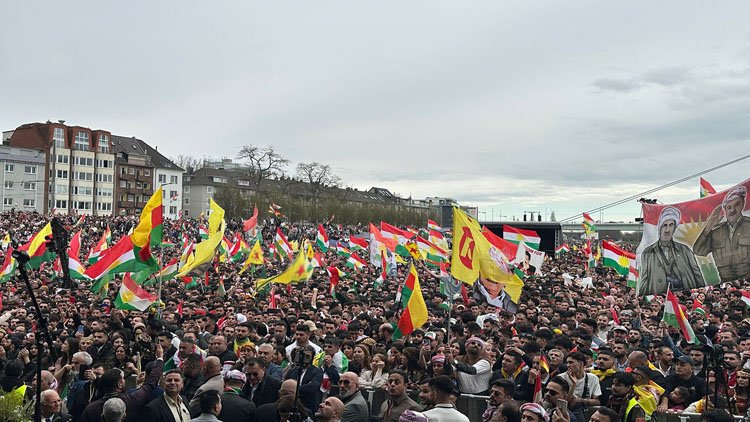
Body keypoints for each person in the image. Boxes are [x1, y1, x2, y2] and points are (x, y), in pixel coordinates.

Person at [80, 344, 165, 422]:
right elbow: (151, 383)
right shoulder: (130, 401)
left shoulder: (91, 409)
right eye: (122, 380)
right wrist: (160, 358)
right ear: (119, 384)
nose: (124, 381)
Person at [639, 206, 705, 295]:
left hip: (683, 293)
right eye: (664, 225)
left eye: (671, 225)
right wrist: (642, 296)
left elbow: (697, 274)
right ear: (660, 228)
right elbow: (644, 278)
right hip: (661, 295)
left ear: (674, 228)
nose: (667, 230)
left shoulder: (685, 250)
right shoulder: (648, 252)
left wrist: (701, 291)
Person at [694, 186, 750, 281]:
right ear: (725, 210)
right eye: (729, 207)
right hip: (726, 282)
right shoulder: (716, 230)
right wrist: (707, 229)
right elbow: (699, 251)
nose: (732, 210)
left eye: (737, 204)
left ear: (742, 205)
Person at [284, 346, 323, 414]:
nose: (303, 358)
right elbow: (285, 385)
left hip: (308, 405)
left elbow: (312, 387)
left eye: (307, 356)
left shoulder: (317, 371)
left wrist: (293, 388)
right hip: (290, 404)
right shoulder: (292, 371)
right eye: (302, 355)